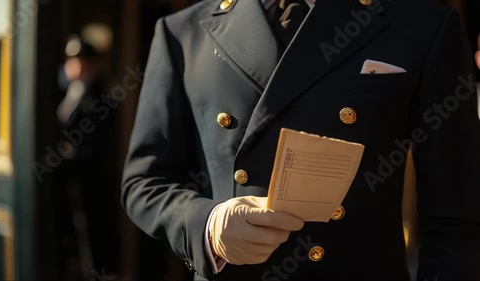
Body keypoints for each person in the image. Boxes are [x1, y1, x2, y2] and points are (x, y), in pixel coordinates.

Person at [122, 0, 480, 280]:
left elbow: (457, 209)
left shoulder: (421, 26)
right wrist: (207, 224)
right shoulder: (183, 33)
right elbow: (144, 182)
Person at [56, 34, 120, 279]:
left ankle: (98, 272)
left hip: (92, 174)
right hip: (74, 176)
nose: (72, 64)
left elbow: (95, 137)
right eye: (70, 59)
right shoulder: (72, 89)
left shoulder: (99, 92)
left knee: (94, 227)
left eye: (79, 59)